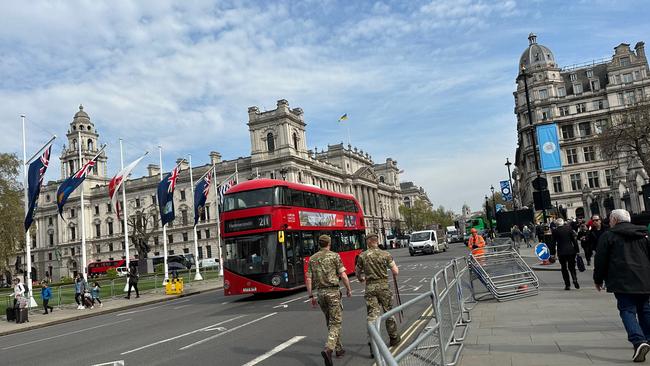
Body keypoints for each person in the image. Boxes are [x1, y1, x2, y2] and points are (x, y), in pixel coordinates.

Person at [594, 209, 650, 362]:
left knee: (627, 310)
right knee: (645, 309)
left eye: (610, 220)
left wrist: (598, 279)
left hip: (622, 279)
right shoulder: (643, 234)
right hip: (644, 278)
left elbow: (601, 260)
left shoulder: (609, 236)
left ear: (614, 220)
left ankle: (638, 341)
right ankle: (647, 338)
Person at [305, 234, 352, 366]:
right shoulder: (334, 256)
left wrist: (310, 296)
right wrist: (348, 289)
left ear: (319, 244)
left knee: (330, 321)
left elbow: (308, 278)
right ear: (329, 244)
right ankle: (329, 348)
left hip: (320, 293)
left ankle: (339, 348)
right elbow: (343, 274)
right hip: (332, 292)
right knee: (336, 322)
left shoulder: (312, 259)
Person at [356, 234, 401, 358]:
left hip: (370, 287)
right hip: (384, 287)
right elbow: (395, 271)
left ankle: (373, 343)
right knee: (388, 312)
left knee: (372, 316)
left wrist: (361, 279)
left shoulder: (362, 256)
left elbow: (357, 272)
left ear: (369, 242)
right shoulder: (385, 254)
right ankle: (393, 338)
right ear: (376, 241)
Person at [551, 218, 580, 290]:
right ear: (563, 223)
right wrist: (577, 250)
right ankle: (574, 279)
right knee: (572, 267)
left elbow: (553, 243)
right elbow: (574, 240)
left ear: (557, 224)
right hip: (570, 250)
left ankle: (567, 285)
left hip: (561, 252)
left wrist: (553, 253)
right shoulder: (569, 229)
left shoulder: (555, 231)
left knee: (564, 268)